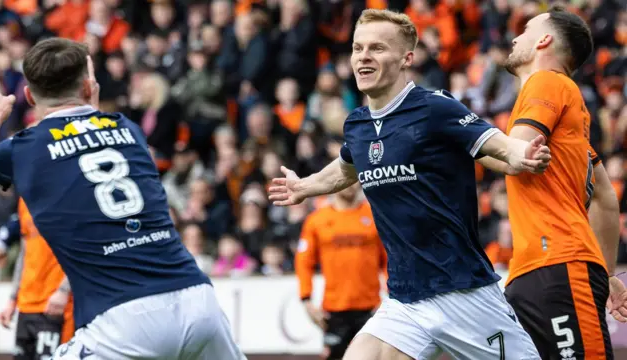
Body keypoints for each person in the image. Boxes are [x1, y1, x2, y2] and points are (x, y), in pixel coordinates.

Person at [269, 8, 547, 360]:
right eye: (357, 48)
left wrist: (521, 153)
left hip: (464, 294)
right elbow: (345, 169)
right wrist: (305, 186)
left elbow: (497, 142)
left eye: (377, 48)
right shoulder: (357, 124)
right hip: (406, 301)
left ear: (406, 58)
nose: (363, 57)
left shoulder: (436, 108)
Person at [0, 38, 244, 360]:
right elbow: (87, 134)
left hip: (121, 319)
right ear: (88, 85)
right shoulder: (129, 129)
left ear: (27, 95)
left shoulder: (24, 148)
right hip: (198, 300)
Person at [479, 6, 627, 359]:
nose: (514, 37)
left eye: (525, 29)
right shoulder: (570, 127)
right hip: (541, 272)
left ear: (544, 39)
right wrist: (606, 272)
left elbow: (515, 156)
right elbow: (605, 197)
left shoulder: (546, 82)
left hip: (557, 267)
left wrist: (455, 136)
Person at [295, 183, 386, 360]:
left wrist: (390, 297)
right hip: (334, 310)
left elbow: (390, 260)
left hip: (372, 309)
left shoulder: (375, 216)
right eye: (347, 178)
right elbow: (303, 262)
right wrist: (306, 299)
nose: (351, 184)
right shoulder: (317, 220)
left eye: (354, 179)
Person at [0, 199, 75, 360]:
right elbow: (24, 252)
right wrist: (13, 299)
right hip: (26, 305)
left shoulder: (66, 197)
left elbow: (81, 248)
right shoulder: (25, 200)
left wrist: (64, 289)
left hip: (54, 306)